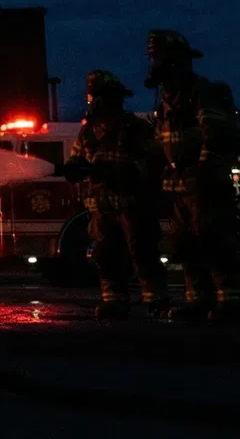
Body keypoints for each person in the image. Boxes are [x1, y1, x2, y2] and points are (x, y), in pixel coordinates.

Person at [146, 29, 240, 323]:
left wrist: (204, 173)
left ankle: (231, 302)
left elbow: (216, 136)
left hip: (206, 186)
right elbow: (162, 145)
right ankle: (198, 301)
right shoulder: (165, 102)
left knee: (215, 243)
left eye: (157, 58)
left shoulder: (203, 93)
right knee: (187, 247)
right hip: (182, 189)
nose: (152, 64)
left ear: (174, 61)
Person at [63, 70, 170, 319]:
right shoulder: (88, 131)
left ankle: (156, 300)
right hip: (101, 207)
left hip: (134, 205)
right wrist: (74, 168)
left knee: (143, 252)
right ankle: (114, 299)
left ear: (112, 98)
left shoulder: (137, 128)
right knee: (106, 254)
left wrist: (121, 172)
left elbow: (155, 163)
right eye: (93, 98)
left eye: (98, 97)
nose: (94, 103)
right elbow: (78, 159)